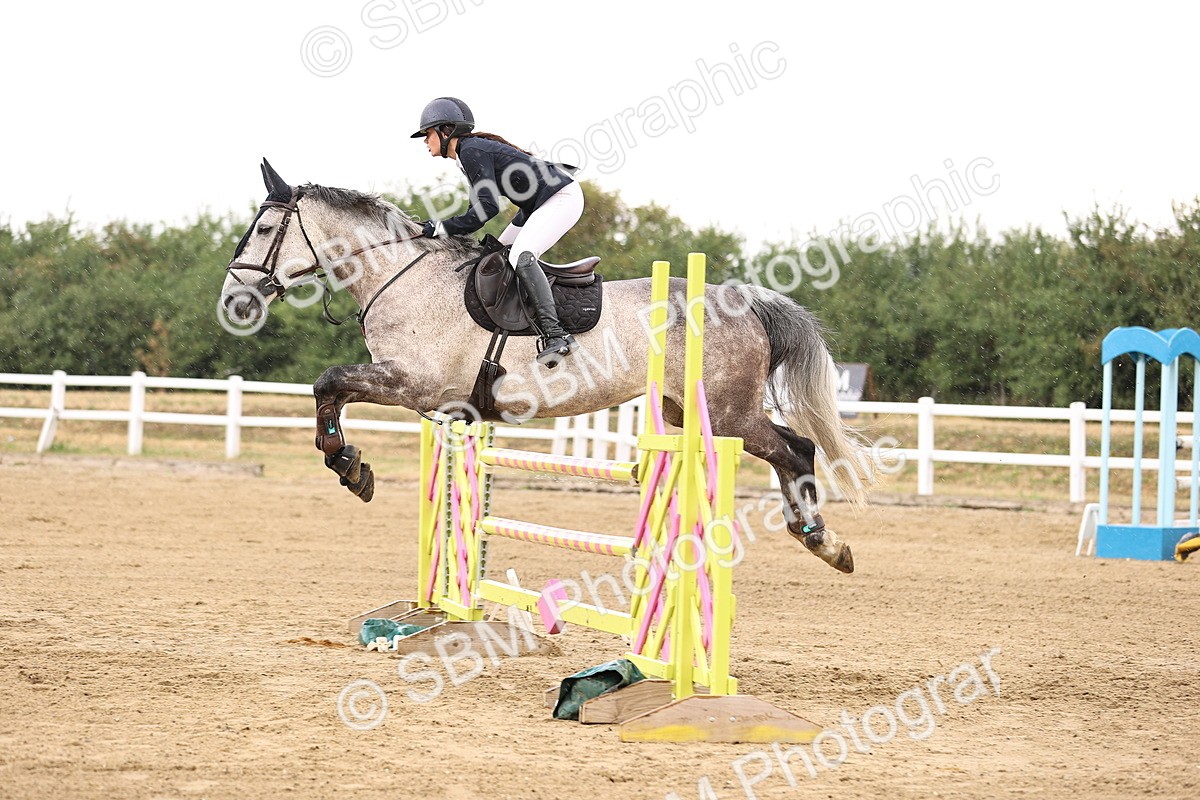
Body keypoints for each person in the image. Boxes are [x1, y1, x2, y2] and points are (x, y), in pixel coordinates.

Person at [411, 96, 582, 369]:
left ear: (446, 131)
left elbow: (486, 210)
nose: (424, 140)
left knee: (521, 257)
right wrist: (442, 229)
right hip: (535, 205)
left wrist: (440, 228)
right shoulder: (467, 155)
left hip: (561, 197)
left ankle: (557, 334)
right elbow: (476, 209)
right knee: (493, 258)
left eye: (427, 133)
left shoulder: (472, 151)